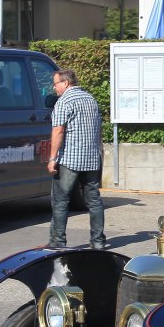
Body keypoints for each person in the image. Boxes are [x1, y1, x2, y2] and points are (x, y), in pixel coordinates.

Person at [46, 69, 106, 249]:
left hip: (69, 158)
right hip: (91, 158)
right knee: (94, 201)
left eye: (55, 84)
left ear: (65, 83)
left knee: (60, 200)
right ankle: (98, 242)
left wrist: (52, 158)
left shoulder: (64, 101)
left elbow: (58, 130)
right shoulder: (90, 99)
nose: (54, 88)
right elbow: (98, 128)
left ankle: (58, 242)